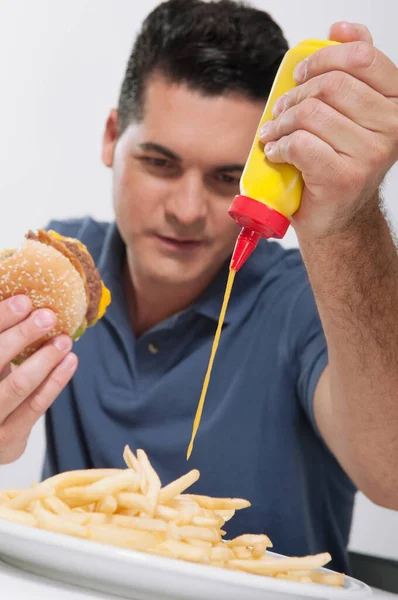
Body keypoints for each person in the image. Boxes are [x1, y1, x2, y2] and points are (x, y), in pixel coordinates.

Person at [0, 0, 397, 573]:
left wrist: (347, 218)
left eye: (225, 179)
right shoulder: (61, 272)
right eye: (160, 163)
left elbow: (392, 475)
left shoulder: (309, 302)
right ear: (113, 138)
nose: (186, 210)